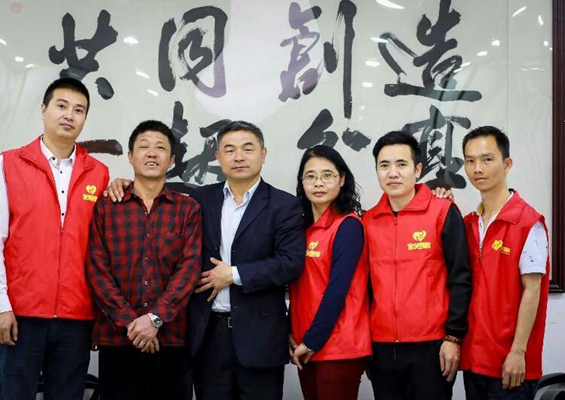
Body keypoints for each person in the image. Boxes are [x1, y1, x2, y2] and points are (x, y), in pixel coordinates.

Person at [105, 120, 305, 400]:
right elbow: (151, 193)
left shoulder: (285, 205)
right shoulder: (200, 199)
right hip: (208, 336)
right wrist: (124, 183)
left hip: (260, 336)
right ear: (218, 157)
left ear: (263, 153)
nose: (238, 157)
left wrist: (234, 274)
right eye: (230, 150)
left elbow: (290, 263)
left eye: (248, 149)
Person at [0, 77, 109, 400]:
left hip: (77, 316)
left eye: (79, 110)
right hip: (21, 314)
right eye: (61, 106)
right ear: (43, 109)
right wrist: (0, 306)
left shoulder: (98, 172)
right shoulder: (9, 163)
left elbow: (99, 247)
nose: (69, 115)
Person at [86, 120, 201, 400]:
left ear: (171, 160)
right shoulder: (106, 206)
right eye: (144, 146)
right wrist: (132, 323)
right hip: (118, 338)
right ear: (130, 156)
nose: (152, 153)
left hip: (171, 339)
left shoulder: (187, 208)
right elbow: (97, 269)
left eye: (160, 148)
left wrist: (155, 319)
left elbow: (189, 270)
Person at [363, 131, 472, 400]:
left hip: (432, 347)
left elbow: (461, 278)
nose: (392, 173)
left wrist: (453, 337)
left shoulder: (442, 212)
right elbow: (363, 288)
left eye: (401, 164)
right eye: (384, 165)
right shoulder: (367, 222)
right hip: (381, 348)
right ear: (376, 170)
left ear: (418, 169)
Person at [460, 126, 550, 400]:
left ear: (507, 164)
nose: (477, 168)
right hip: (475, 360)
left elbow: (532, 291)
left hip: (511, 364)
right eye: (470, 160)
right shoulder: (468, 223)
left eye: (487, 159)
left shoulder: (528, 222)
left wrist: (518, 351)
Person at [289, 145, 371, 400]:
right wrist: (292, 332)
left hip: (338, 346)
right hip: (304, 344)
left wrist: (312, 340)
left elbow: (337, 290)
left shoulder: (347, 226)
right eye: (310, 176)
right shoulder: (301, 228)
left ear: (342, 179)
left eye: (327, 175)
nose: (318, 183)